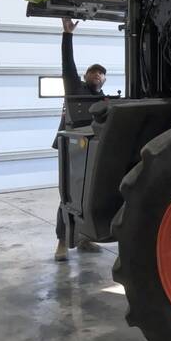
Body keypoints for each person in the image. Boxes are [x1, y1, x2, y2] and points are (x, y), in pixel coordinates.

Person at [54, 17, 106, 261]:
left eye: (101, 74)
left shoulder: (104, 98)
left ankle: (84, 238)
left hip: (93, 146)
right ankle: (62, 242)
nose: (98, 76)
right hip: (71, 146)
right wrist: (68, 36)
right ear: (86, 75)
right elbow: (67, 64)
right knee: (69, 195)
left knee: (90, 192)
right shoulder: (75, 87)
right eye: (94, 72)